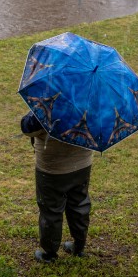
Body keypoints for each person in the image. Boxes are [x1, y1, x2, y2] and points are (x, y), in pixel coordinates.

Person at [21, 110, 94, 262]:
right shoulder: (95, 101)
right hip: (82, 164)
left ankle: (49, 253)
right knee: (79, 204)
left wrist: (31, 112)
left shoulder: (49, 103)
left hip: (53, 167)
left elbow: (28, 128)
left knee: (51, 210)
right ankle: (79, 246)